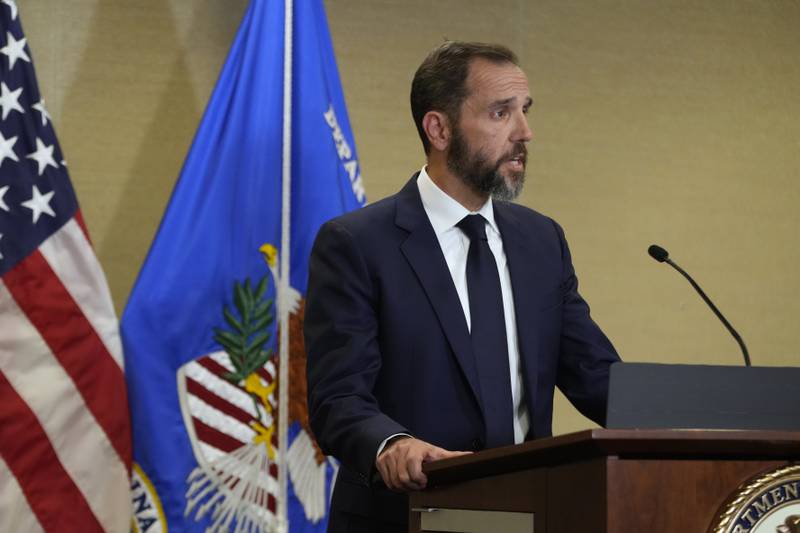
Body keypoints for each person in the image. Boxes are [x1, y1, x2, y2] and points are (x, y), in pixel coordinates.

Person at [304, 41, 620, 533]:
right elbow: (338, 398)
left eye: (525, 111)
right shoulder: (357, 244)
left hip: (527, 514)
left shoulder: (542, 241)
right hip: (405, 516)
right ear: (439, 128)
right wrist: (393, 444)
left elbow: (597, 376)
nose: (525, 133)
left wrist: (709, 421)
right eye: (501, 113)